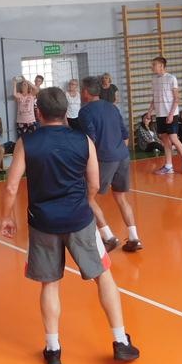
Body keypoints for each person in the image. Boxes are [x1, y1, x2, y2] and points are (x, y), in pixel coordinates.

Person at [1, 88, 140, 364]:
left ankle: (53, 349)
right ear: (66, 111)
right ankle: (120, 341)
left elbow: (12, 186)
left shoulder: (26, 142)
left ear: (38, 112)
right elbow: (94, 183)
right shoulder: (83, 140)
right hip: (79, 221)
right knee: (103, 276)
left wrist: (7, 217)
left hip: (43, 223)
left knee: (50, 283)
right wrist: (83, 202)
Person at [78, 76, 144, 253]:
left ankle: (108, 237)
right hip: (123, 156)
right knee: (121, 197)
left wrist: (86, 163)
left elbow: (90, 140)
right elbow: (125, 135)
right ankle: (134, 238)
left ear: (86, 92)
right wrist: (119, 152)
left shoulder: (85, 112)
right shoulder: (112, 108)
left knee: (86, 197)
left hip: (105, 158)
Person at [149, 57, 182, 174]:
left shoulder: (171, 78)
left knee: (173, 138)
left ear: (161, 66)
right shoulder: (154, 80)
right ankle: (168, 166)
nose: (152, 67)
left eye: (154, 65)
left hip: (171, 113)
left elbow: (177, 99)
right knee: (165, 140)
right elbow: (155, 98)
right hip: (160, 114)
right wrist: (149, 111)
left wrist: (171, 114)